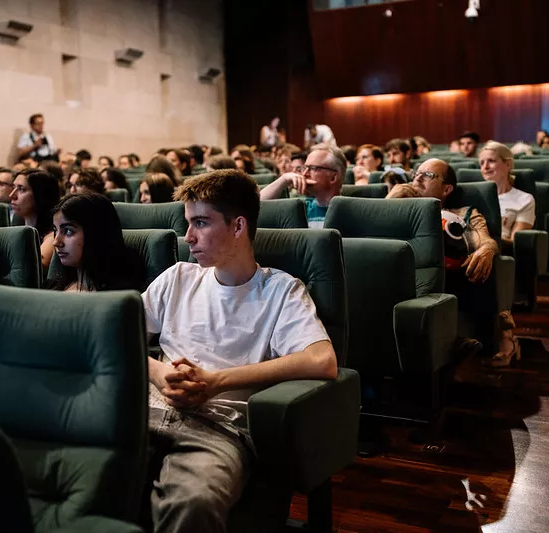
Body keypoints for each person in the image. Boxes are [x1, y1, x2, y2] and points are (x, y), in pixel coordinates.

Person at [142, 169, 336, 532]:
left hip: (219, 428)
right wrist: (157, 372)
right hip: (146, 411)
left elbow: (321, 360)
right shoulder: (177, 278)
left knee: (194, 503)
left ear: (238, 226)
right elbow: (111, 336)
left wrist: (215, 382)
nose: (188, 237)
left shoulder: (280, 291)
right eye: (188, 223)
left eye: (201, 222)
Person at [389, 159, 518, 367]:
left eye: (428, 175)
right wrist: (388, 202)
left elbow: (484, 240)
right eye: (416, 173)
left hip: (450, 278)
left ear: (447, 188)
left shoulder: (463, 213)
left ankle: (477, 338)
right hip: (404, 278)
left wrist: (486, 249)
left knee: (481, 263)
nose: (418, 178)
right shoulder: (397, 210)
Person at [47, 193, 144, 292]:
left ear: (96, 234)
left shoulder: (120, 296)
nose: (56, 242)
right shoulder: (53, 286)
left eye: (68, 231)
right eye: (56, 230)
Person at [259, 143, 345, 228]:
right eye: (304, 168)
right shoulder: (301, 208)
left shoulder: (351, 211)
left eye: (312, 169)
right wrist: (284, 179)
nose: (304, 173)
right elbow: (255, 208)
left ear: (333, 178)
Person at [479, 142, 535, 249]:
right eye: (482, 163)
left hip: (499, 252)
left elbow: (515, 243)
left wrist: (489, 242)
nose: (485, 167)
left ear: (508, 164)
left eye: (491, 161)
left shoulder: (525, 200)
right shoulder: (473, 196)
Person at [9, 168, 61, 272]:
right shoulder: (16, 229)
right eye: (13, 187)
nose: (11, 195)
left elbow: (33, 271)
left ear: (40, 195)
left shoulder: (52, 237)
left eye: (21, 189)